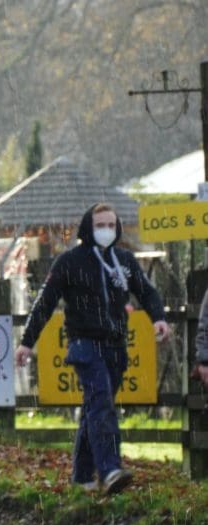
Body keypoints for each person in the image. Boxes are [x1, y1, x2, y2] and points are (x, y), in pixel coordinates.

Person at [15, 204, 170, 494]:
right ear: (88, 227)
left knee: (94, 410)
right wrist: (27, 341)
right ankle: (110, 469)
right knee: (101, 405)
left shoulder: (124, 260)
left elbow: (146, 290)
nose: (107, 230)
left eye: (112, 225)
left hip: (116, 345)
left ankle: (82, 476)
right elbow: (45, 302)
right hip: (85, 344)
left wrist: (158, 317)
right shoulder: (69, 262)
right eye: (101, 224)